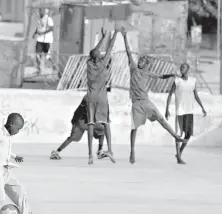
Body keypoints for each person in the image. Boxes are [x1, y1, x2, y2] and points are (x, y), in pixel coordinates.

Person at [120, 28, 187, 164]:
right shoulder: (133, 68)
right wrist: (125, 37)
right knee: (134, 128)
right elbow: (128, 53)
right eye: (139, 60)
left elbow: (162, 77)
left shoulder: (148, 72)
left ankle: (176, 136)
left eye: (142, 61)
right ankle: (132, 151)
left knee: (161, 120)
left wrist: (172, 75)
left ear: (146, 64)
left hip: (146, 102)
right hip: (136, 103)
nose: (139, 62)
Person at [86, 27, 119, 165]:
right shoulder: (103, 63)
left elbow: (92, 52)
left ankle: (90, 154)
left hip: (91, 97)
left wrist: (102, 37)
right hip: (102, 98)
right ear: (99, 56)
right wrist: (115, 34)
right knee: (106, 123)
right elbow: (110, 48)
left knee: (91, 124)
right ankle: (110, 149)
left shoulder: (89, 63)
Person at [165, 63, 207, 164]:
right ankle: (179, 157)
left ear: (188, 69)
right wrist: (167, 109)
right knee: (178, 135)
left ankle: (179, 152)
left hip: (189, 111)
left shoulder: (192, 81)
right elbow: (170, 95)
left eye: (183, 67)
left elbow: (196, 95)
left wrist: (202, 108)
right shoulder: (177, 81)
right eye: (181, 67)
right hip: (180, 111)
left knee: (188, 134)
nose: (181, 69)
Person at [50, 94, 108, 160]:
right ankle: (99, 152)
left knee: (74, 138)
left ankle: (57, 152)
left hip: (83, 121)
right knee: (102, 129)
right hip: (80, 121)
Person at [33, 8, 54, 75]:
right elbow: (38, 28)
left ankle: (54, 67)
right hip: (39, 40)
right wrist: (34, 33)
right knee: (37, 54)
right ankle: (39, 70)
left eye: (41, 10)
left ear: (44, 11)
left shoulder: (48, 19)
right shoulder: (39, 19)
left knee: (48, 55)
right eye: (39, 10)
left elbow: (51, 28)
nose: (40, 12)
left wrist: (43, 33)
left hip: (47, 40)